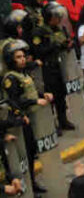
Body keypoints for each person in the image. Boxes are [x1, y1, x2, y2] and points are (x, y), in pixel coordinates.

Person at [2, 41, 52, 194]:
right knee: (20, 158)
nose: (23, 59)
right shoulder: (10, 79)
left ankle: (32, 184)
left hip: (30, 119)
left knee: (30, 154)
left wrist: (43, 95)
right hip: (18, 123)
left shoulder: (23, 74)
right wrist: (35, 100)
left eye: (23, 56)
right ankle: (20, 188)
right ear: (11, 60)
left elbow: (31, 92)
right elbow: (15, 100)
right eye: (18, 57)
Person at [30, 2, 76, 130]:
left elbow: (64, 44)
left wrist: (67, 45)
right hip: (47, 69)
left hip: (60, 67)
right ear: (48, 17)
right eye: (56, 16)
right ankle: (52, 125)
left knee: (61, 95)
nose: (59, 19)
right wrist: (54, 46)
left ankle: (63, 120)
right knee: (50, 96)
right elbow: (38, 50)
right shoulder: (39, 32)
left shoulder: (60, 29)